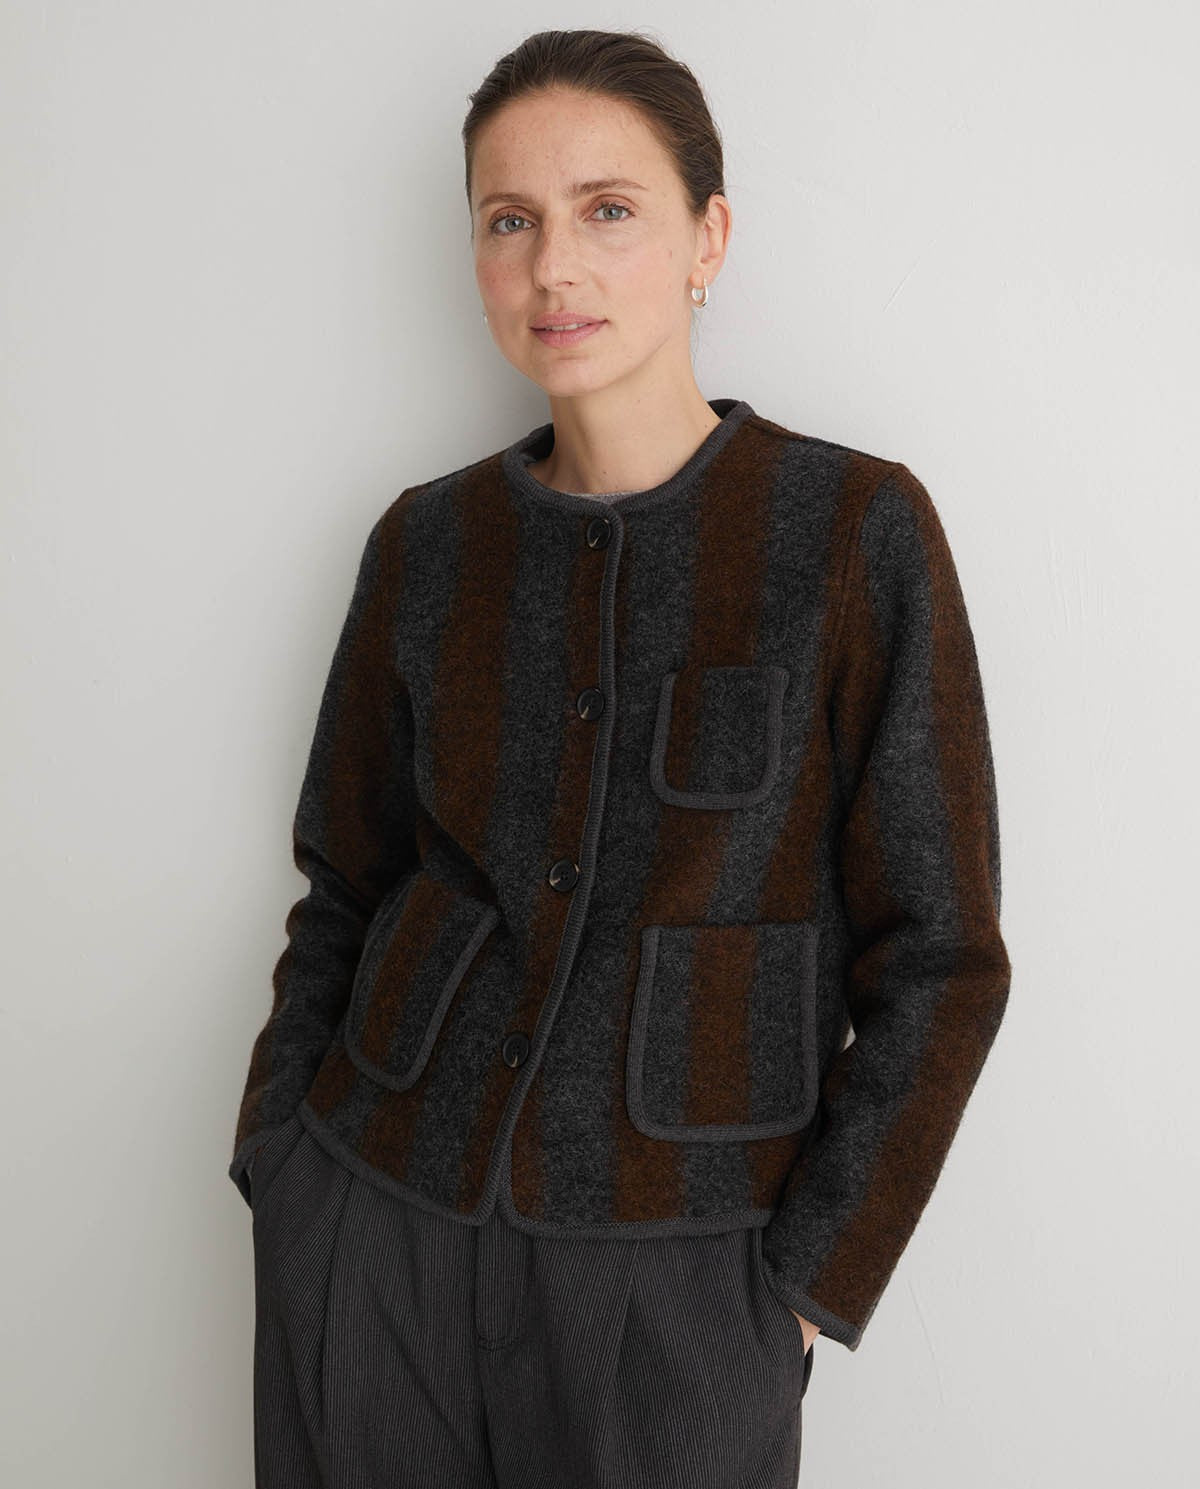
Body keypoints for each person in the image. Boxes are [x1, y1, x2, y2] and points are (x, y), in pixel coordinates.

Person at [229, 27, 1011, 1489]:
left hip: (679, 1289)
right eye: (509, 221)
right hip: (375, 1221)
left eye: (607, 209)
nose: (554, 269)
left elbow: (944, 957)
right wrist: (281, 1163)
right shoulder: (427, 544)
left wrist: (798, 1293)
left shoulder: (853, 534)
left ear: (709, 236)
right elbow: (345, 879)